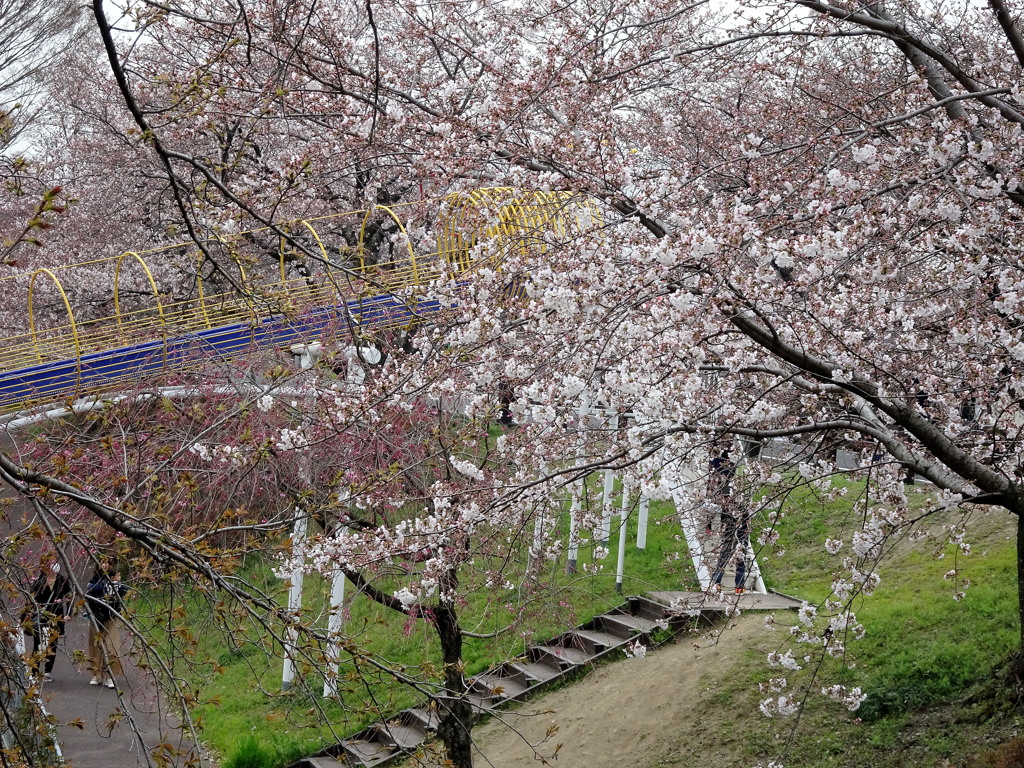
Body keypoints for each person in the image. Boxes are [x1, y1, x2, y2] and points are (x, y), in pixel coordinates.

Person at [22, 555, 72, 682]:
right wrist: (23, 616)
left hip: (56, 616)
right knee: (38, 644)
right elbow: (31, 599)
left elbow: (69, 597)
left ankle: (48, 671)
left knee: (52, 644)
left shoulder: (62, 581)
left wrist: (68, 613)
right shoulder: (39, 581)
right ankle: (34, 671)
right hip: (41, 616)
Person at [85, 559, 127, 689]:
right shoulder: (94, 581)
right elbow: (90, 590)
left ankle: (110, 675)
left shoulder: (118, 583)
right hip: (96, 617)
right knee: (96, 645)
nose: (105, 565)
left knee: (111, 646)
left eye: (108, 563)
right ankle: (97, 674)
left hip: (112, 617)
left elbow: (123, 591)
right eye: (102, 562)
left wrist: (115, 584)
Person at [710, 508, 750, 595]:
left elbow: (723, 523)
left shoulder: (727, 508)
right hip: (741, 539)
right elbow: (746, 525)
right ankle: (739, 587)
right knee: (740, 563)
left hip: (729, 538)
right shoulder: (744, 509)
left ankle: (716, 584)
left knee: (722, 561)